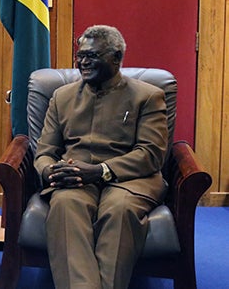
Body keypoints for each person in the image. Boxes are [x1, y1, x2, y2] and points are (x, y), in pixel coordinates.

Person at [34, 25, 168, 289]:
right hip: (74, 178)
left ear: (116, 57)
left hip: (130, 180)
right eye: (80, 55)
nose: (83, 61)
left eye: (92, 56)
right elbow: (45, 151)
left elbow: (150, 153)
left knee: (119, 210)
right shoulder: (62, 96)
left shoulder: (147, 96)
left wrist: (101, 170)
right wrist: (49, 172)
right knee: (65, 205)